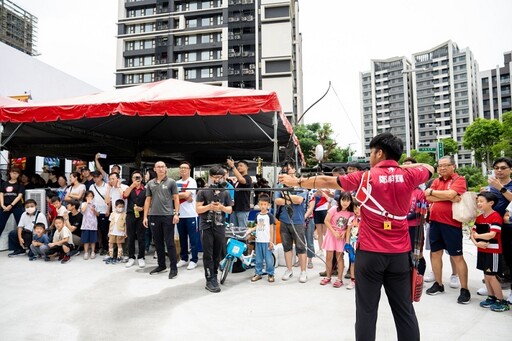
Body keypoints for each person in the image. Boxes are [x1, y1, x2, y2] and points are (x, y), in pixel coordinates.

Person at [278, 132, 433, 341]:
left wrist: (296, 180)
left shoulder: (365, 177)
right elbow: (430, 168)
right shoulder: (410, 176)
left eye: (371, 153)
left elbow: (326, 181)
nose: (370, 158)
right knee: (404, 311)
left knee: (366, 312)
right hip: (399, 255)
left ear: (379, 152)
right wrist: (395, 168)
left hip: (370, 254)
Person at [425, 155, 471, 304]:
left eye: (445, 165)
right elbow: (428, 197)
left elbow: (452, 194)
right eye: (440, 166)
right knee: (435, 253)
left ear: (453, 166)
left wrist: (436, 194)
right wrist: (445, 196)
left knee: (457, 256)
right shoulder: (436, 181)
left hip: (452, 224)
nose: (442, 168)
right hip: (435, 222)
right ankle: (438, 284)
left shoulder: (459, 180)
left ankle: (464, 290)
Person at [196, 165, 233, 293]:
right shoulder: (202, 191)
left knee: (217, 253)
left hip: (220, 225)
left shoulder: (226, 192)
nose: (218, 179)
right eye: (216, 177)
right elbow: (198, 209)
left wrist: (221, 208)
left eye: (221, 177)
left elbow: (230, 209)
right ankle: (209, 278)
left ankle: (215, 275)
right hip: (206, 226)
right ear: (210, 177)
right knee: (208, 253)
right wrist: (209, 207)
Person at [471, 192, 509, 312]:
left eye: (481, 201)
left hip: (493, 251)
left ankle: (501, 301)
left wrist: (478, 236)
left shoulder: (496, 216)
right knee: (486, 275)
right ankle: (491, 297)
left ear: (491, 203)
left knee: (492, 276)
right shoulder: (479, 218)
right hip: (481, 250)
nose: (478, 203)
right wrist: (477, 242)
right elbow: (472, 234)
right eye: (478, 201)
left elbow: (492, 234)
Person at [143, 161, 180, 278]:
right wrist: (145, 216)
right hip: (154, 216)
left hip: (168, 216)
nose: (160, 169)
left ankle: (173, 268)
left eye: (162, 167)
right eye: (158, 167)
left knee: (169, 243)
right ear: (154, 169)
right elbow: (148, 200)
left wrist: (176, 214)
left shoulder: (171, 182)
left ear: (166, 169)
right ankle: (161, 265)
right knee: (158, 243)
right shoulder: (150, 183)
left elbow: (176, 198)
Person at [482, 157, 512, 300]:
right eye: (496, 168)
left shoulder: (507, 185)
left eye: (503, 168)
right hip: (492, 226)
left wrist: (501, 188)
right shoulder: (491, 186)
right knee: (491, 255)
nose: (499, 170)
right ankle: (492, 286)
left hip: (508, 227)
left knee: (509, 257)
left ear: (510, 169)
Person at [275, 161, 309, 283]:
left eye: (288, 169)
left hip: (298, 220)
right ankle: (289, 270)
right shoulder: (280, 185)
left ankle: (303, 271)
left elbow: (300, 200)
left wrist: (285, 197)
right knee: (286, 246)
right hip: (284, 220)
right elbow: (277, 201)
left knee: (301, 247)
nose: (285, 172)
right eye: (284, 170)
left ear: (294, 169)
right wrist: (289, 199)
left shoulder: (301, 183)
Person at [320, 191, 354, 288]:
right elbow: (326, 221)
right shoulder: (334, 209)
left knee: (340, 257)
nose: (345, 202)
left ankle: (339, 279)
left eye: (348, 200)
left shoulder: (351, 213)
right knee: (329, 256)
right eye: (343, 200)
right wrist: (333, 231)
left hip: (341, 237)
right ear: (340, 200)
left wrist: (344, 232)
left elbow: (350, 226)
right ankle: (328, 277)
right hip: (331, 235)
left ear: (350, 202)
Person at [403, 157, 427, 276]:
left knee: (417, 253)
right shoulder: (400, 189)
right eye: (404, 165)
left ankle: (419, 276)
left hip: (415, 227)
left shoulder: (419, 192)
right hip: (401, 227)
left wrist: (404, 217)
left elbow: (419, 212)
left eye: (410, 166)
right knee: (403, 252)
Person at [244, 194, 275, 283]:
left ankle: (270, 274)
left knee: (268, 259)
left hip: (266, 241)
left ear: (268, 205)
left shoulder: (270, 216)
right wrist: (250, 230)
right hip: (258, 240)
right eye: (261, 204)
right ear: (258, 204)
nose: (263, 206)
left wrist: (271, 241)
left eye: (265, 204)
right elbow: (257, 226)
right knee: (258, 258)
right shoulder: (257, 215)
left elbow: (272, 229)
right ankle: (258, 273)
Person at [176, 161, 200, 270]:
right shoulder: (176, 182)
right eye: (181, 168)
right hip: (180, 214)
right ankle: (184, 258)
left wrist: (180, 195)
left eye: (185, 168)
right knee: (182, 238)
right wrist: (184, 196)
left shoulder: (192, 181)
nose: (183, 169)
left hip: (191, 214)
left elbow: (186, 195)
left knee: (193, 239)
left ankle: (194, 259)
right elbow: (172, 196)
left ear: (189, 170)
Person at [123, 170, 147, 268]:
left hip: (141, 215)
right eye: (134, 177)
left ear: (142, 178)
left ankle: (141, 257)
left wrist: (142, 209)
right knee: (131, 237)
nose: (136, 179)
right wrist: (132, 185)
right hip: (130, 214)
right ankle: (131, 257)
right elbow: (124, 195)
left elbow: (149, 203)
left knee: (141, 237)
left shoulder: (145, 190)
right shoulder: (130, 188)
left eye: (138, 177)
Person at [226, 158, 252, 228]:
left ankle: (243, 239)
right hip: (235, 208)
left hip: (243, 208)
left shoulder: (248, 178)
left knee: (242, 230)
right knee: (234, 230)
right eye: (238, 166)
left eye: (241, 166)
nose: (238, 167)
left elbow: (242, 180)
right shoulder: (237, 180)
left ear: (247, 167)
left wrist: (233, 167)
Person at [0, 167, 25, 239]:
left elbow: (19, 196)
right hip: (5, 206)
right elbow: (1, 194)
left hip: (17, 206)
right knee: (1, 224)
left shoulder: (20, 185)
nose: (14, 174)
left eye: (16, 173)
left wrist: (11, 205)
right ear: (10, 173)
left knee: (20, 224)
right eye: (13, 172)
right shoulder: (4, 184)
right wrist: (2, 205)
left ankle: (22, 243)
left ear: (18, 175)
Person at [89, 170, 110, 256]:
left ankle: (105, 247)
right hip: (94, 211)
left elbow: (110, 199)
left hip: (104, 210)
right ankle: (96, 246)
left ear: (101, 176)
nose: (95, 179)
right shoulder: (92, 186)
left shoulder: (107, 186)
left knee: (104, 230)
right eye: (94, 177)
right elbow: (90, 198)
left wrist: (108, 209)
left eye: (97, 177)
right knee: (95, 230)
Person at [105, 199, 127, 264]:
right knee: (110, 244)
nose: (121, 208)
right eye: (119, 206)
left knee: (119, 244)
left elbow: (125, 224)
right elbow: (110, 223)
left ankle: (119, 256)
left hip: (120, 232)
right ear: (115, 207)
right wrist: (109, 231)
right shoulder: (112, 214)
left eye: (122, 207)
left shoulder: (124, 214)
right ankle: (111, 256)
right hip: (112, 231)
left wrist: (125, 232)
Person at [80, 190, 98, 260]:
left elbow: (97, 214)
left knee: (93, 240)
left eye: (91, 196)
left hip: (93, 224)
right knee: (86, 240)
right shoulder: (83, 204)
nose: (89, 197)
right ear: (85, 197)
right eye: (88, 196)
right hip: (85, 224)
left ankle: (93, 252)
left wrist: (94, 210)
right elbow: (83, 211)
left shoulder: (95, 204)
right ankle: (86, 252)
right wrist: (87, 203)